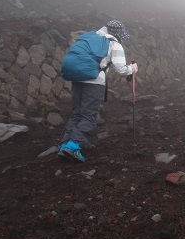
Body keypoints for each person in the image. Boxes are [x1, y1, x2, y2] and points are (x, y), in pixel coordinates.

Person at [58, 20, 138, 162]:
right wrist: (132, 69)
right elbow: (121, 69)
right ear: (118, 34)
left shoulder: (90, 37)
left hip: (77, 78)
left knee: (77, 114)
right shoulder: (114, 44)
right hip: (94, 82)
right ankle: (73, 146)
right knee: (89, 116)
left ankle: (64, 144)